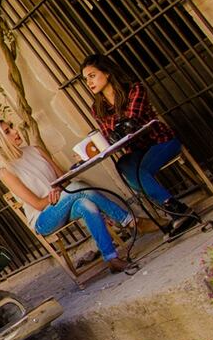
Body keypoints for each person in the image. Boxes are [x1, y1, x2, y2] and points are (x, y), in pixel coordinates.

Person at [0, 119, 156, 273]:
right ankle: (132, 221)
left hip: (66, 201)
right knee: (79, 188)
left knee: (87, 203)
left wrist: (74, 169)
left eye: (11, 127)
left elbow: (64, 179)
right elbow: (38, 204)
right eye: (7, 132)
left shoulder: (35, 150)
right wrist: (60, 192)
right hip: (44, 218)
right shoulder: (5, 171)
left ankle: (111, 258)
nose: (15, 131)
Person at [81, 54, 198, 234]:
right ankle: (179, 210)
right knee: (124, 165)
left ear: (107, 73)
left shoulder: (134, 90)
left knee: (138, 173)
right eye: (86, 79)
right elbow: (108, 137)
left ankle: (177, 212)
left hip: (161, 141)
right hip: (138, 151)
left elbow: (130, 123)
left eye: (92, 75)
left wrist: (115, 134)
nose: (89, 83)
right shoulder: (98, 108)